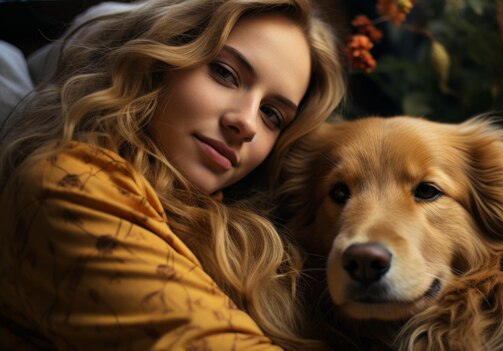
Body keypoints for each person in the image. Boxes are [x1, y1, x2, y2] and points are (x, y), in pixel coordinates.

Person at [0, 0, 346, 350]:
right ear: (161, 58)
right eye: (226, 73)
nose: (246, 123)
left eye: (271, 114)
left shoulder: (252, 247)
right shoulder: (68, 182)